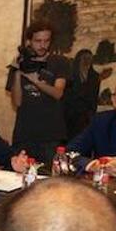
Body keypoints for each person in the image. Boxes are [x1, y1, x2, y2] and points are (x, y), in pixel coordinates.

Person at [6, 21, 69, 165]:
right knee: (21, 178)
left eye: (46, 41)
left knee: (50, 181)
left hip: (51, 136)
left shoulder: (59, 62)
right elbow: (17, 102)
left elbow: (58, 93)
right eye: (38, 41)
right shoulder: (20, 63)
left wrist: (35, 81)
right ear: (29, 41)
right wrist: (17, 71)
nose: (42, 45)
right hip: (24, 134)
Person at [63, 49, 101, 139]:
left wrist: (91, 113)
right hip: (70, 116)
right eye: (84, 58)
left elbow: (94, 97)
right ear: (79, 59)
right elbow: (66, 96)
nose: (87, 61)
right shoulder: (70, 76)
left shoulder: (94, 76)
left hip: (86, 116)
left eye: (89, 58)